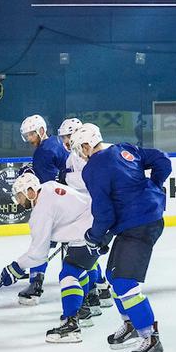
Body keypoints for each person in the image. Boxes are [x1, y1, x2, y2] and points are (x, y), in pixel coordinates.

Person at [71, 122, 170, 352]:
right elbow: (162, 161)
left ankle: (151, 339)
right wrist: (154, 186)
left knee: (124, 283)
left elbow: (103, 213)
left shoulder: (92, 168)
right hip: (144, 220)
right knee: (112, 277)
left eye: (79, 149)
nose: (80, 155)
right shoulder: (124, 148)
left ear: (86, 145)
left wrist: (94, 237)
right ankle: (132, 325)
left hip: (139, 225)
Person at [0, 173, 101, 342]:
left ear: (30, 191)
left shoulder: (41, 210)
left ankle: (71, 325)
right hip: (96, 225)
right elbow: (64, 215)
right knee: (78, 270)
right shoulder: (48, 187)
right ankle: (82, 310)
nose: (18, 200)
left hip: (87, 233)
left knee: (69, 275)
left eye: (20, 195)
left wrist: (15, 268)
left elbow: (38, 255)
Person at [57, 117, 114, 307]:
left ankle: (89, 297)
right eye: (63, 137)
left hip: (89, 211)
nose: (65, 141)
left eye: (68, 136)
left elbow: (88, 180)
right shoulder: (72, 155)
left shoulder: (81, 155)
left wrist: (67, 178)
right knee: (88, 255)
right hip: (83, 210)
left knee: (80, 258)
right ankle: (100, 290)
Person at [15, 114, 70, 304]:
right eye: (26, 136)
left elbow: (44, 187)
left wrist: (29, 173)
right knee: (78, 247)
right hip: (70, 200)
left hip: (58, 207)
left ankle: (35, 285)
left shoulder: (43, 153)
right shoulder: (54, 143)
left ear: (41, 131)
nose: (29, 139)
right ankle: (99, 288)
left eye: (31, 134)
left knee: (41, 243)